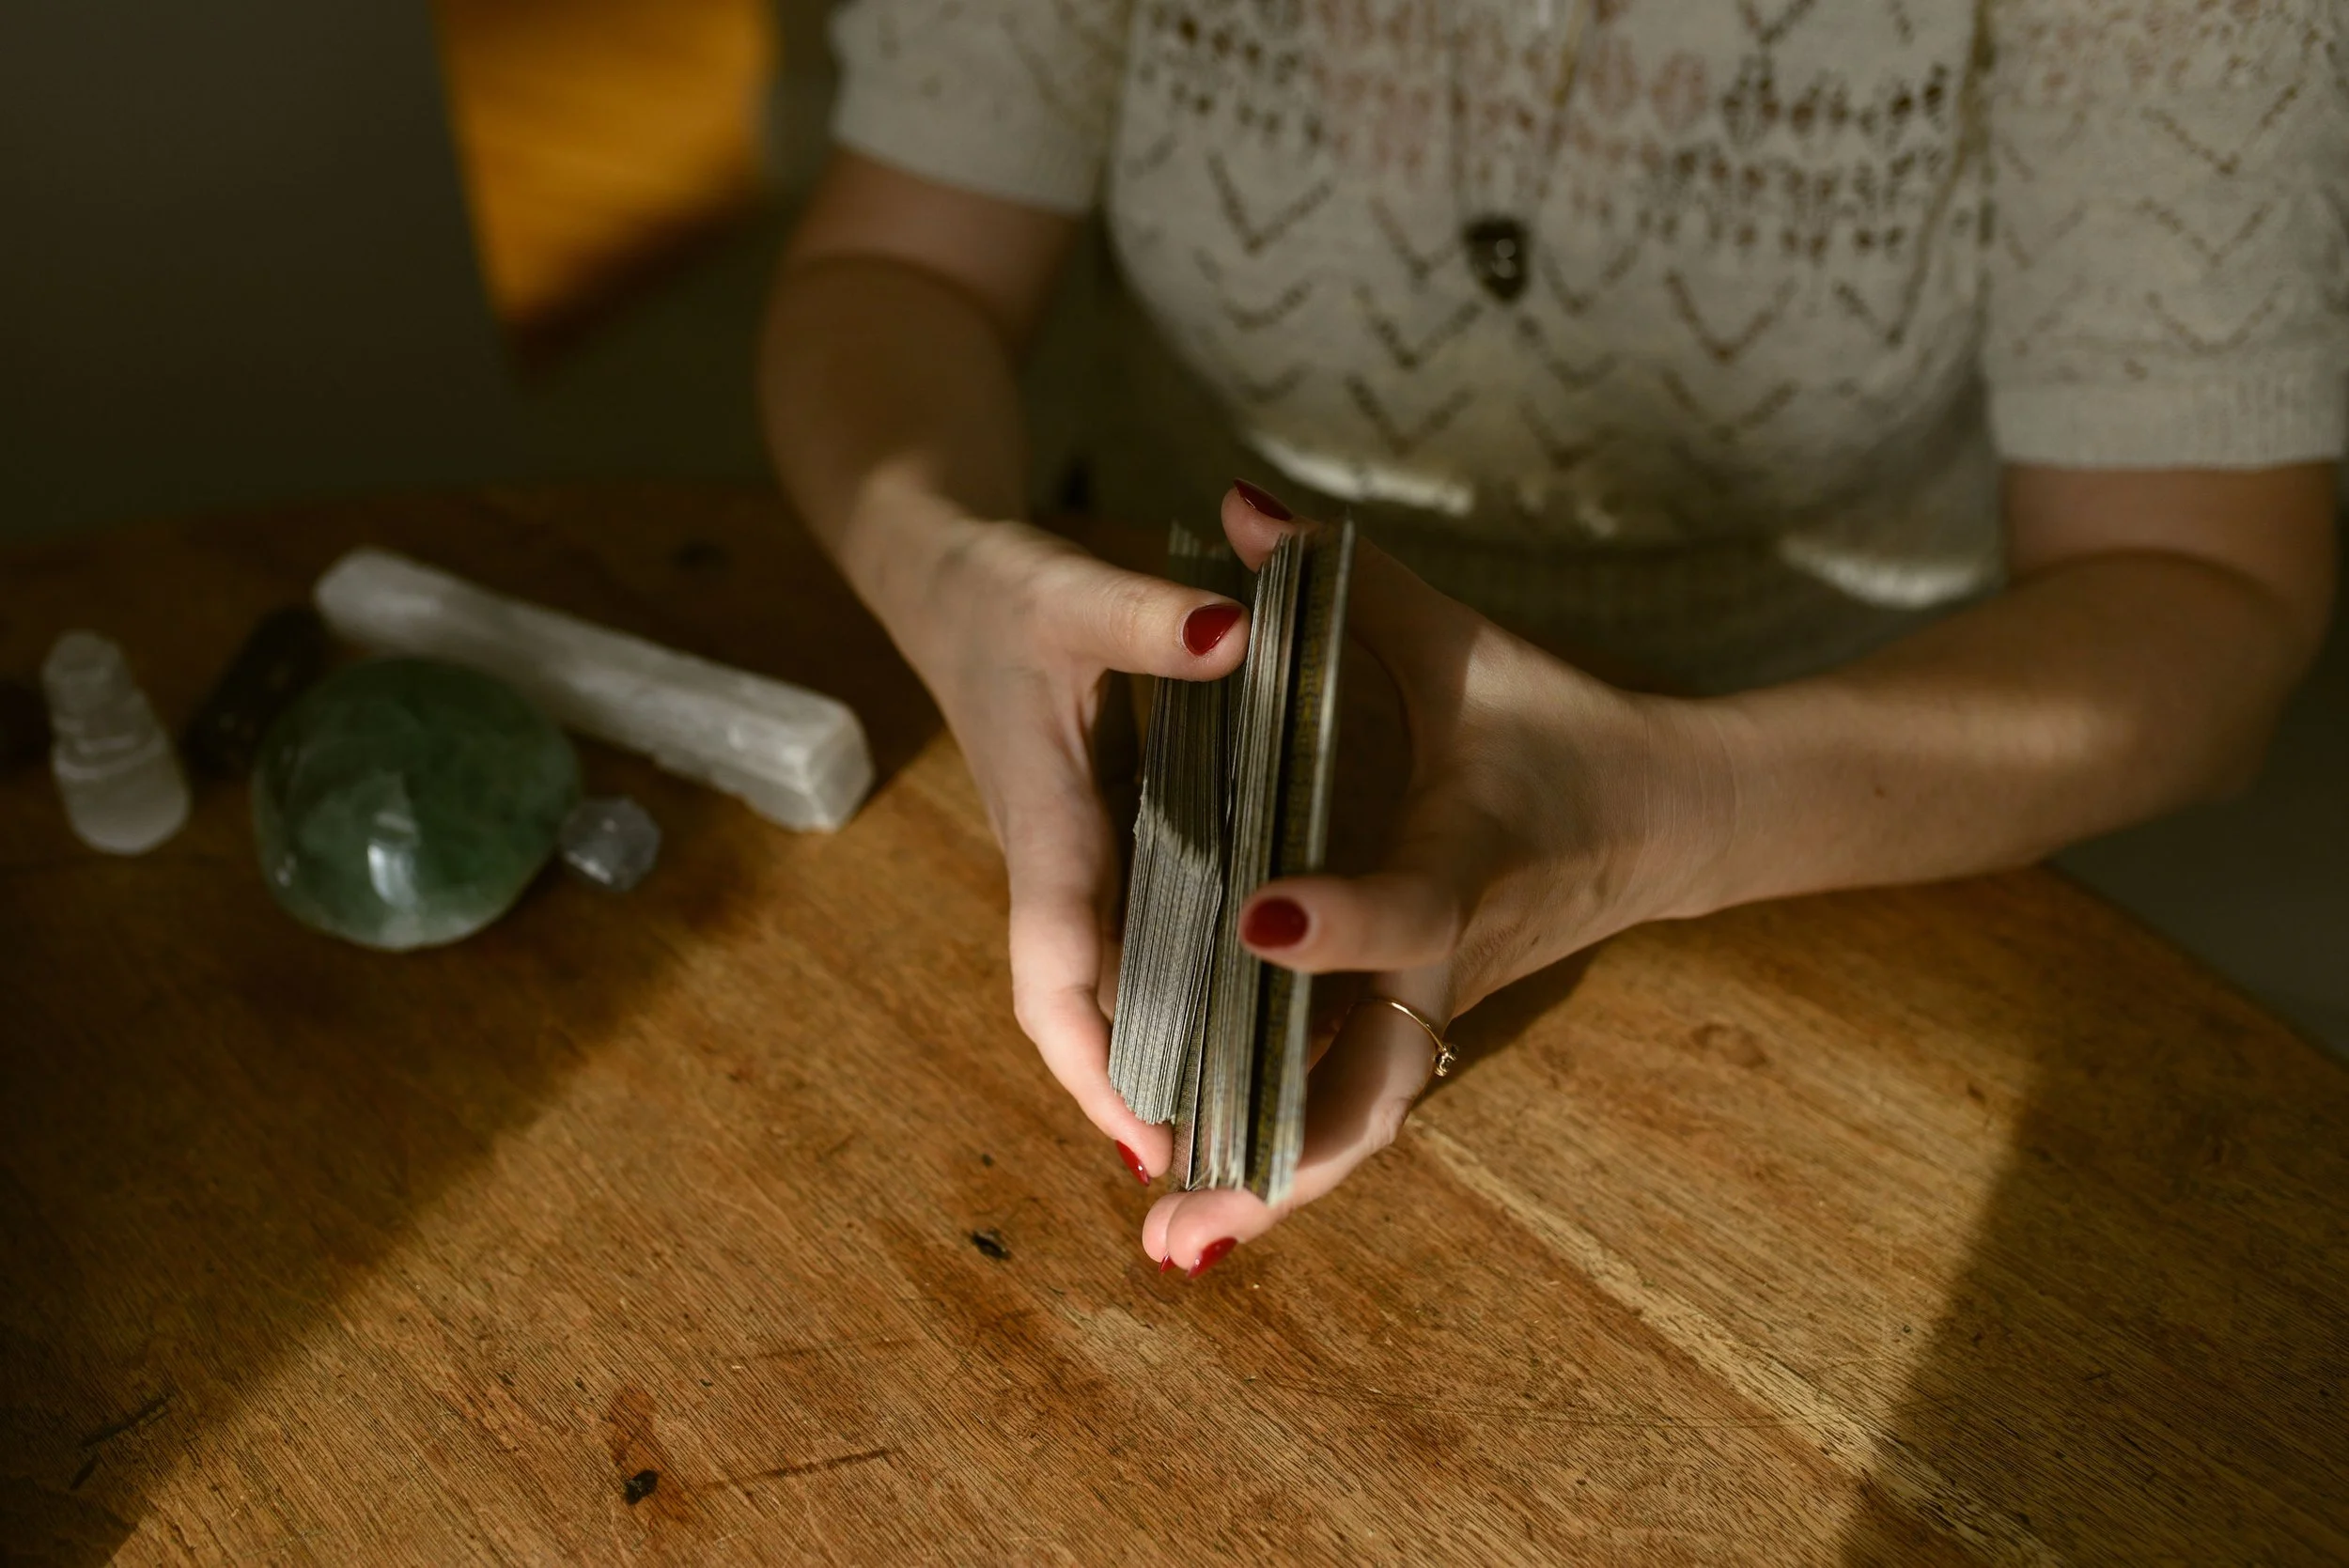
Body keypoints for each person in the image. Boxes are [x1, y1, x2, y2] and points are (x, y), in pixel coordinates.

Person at [759, 0, 2345, 1274]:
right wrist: (947, 565)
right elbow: (898, 268)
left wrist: (1661, 810)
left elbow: (2204, 603)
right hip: (1187, 766)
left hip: (1824, 812)